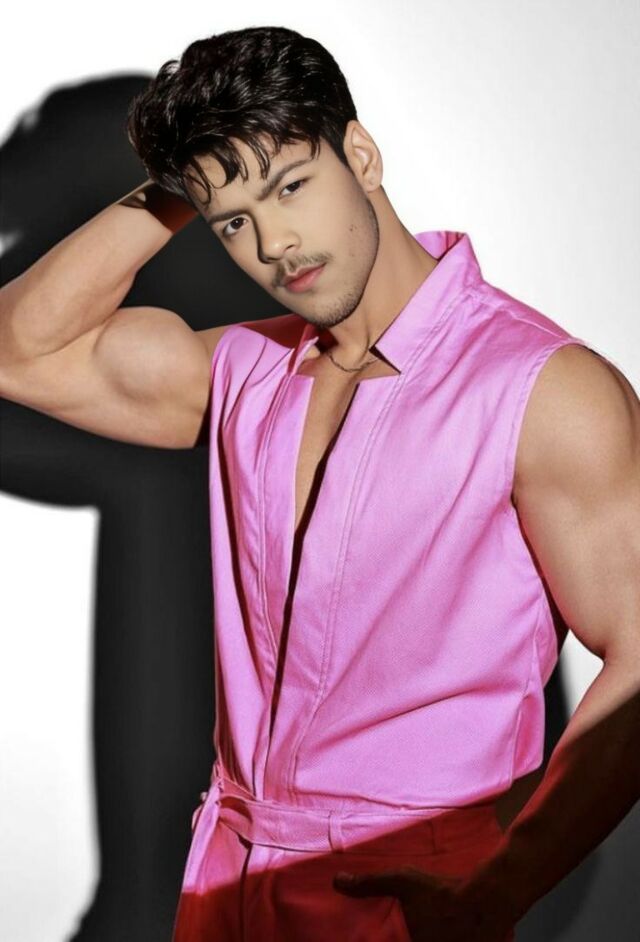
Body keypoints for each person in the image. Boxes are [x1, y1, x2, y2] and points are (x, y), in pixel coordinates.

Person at [1, 24, 638, 942]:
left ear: (361, 156)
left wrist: (507, 884)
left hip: (408, 889)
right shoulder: (244, 370)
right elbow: (21, 349)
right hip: (227, 882)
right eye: (234, 221)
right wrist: (185, 184)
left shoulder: (544, 390)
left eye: (291, 186)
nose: (277, 242)